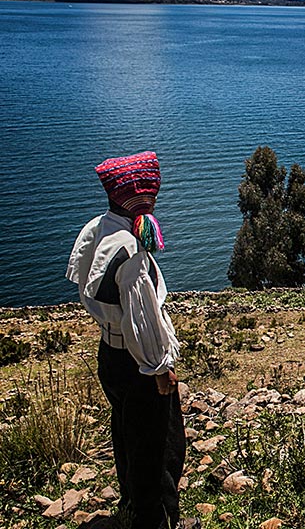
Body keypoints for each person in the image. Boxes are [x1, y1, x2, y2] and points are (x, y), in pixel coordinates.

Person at [66, 151, 190, 529]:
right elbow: (142, 319)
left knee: (127, 436)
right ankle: (157, 519)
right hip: (138, 363)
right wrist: (160, 367)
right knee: (158, 446)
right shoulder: (131, 250)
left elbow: (82, 281)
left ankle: (133, 504)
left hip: (110, 353)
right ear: (144, 197)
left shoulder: (98, 229)